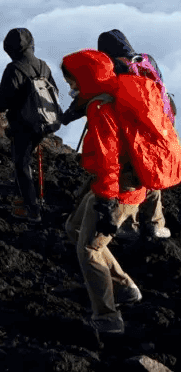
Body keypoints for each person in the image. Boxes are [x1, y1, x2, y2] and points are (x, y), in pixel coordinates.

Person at [61, 49, 148, 335]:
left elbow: (109, 160)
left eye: (73, 82)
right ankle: (125, 289)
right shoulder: (117, 92)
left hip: (117, 189)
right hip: (120, 184)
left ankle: (108, 319)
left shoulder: (102, 108)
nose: (72, 88)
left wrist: (106, 203)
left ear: (87, 78)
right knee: (75, 228)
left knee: (88, 248)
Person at [62, 29, 173, 239]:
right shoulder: (147, 61)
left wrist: (65, 117)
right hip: (155, 127)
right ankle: (154, 224)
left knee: (118, 171)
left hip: (127, 132)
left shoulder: (115, 67)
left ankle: (121, 223)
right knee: (148, 175)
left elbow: (95, 94)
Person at [0, 27, 59, 222]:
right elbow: (54, 92)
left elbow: (4, 103)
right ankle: (25, 199)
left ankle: (31, 210)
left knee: (21, 164)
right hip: (42, 123)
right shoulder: (43, 66)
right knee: (24, 160)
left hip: (23, 125)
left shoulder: (14, 69)